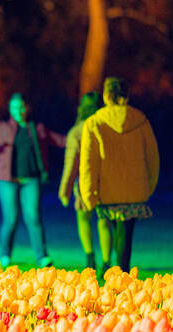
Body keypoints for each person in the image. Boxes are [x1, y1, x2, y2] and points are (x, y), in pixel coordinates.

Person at [0, 93, 66, 267]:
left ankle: (42, 257)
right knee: (11, 218)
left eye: (22, 107)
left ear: (27, 108)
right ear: (10, 109)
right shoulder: (2, 128)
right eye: (15, 107)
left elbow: (61, 140)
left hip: (31, 180)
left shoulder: (37, 128)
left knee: (34, 218)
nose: (19, 111)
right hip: (7, 181)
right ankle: (5, 255)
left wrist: (81, 137)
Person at [79, 77, 160, 277]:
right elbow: (152, 157)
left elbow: (88, 163)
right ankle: (122, 273)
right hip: (134, 189)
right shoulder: (140, 120)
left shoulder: (94, 123)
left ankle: (119, 275)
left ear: (106, 96)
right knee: (126, 234)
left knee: (116, 232)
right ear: (127, 95)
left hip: (107, 190)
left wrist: (88, 192)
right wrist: (149, 185)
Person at [58, 91, 101, 270]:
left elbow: (71, 163)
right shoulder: (106, 127)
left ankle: (90, 256)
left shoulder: (77, 131)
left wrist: (65, 189)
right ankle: (107, 260)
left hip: (84, 181)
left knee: (83, 218)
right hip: (105, 181)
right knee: (104, 220)